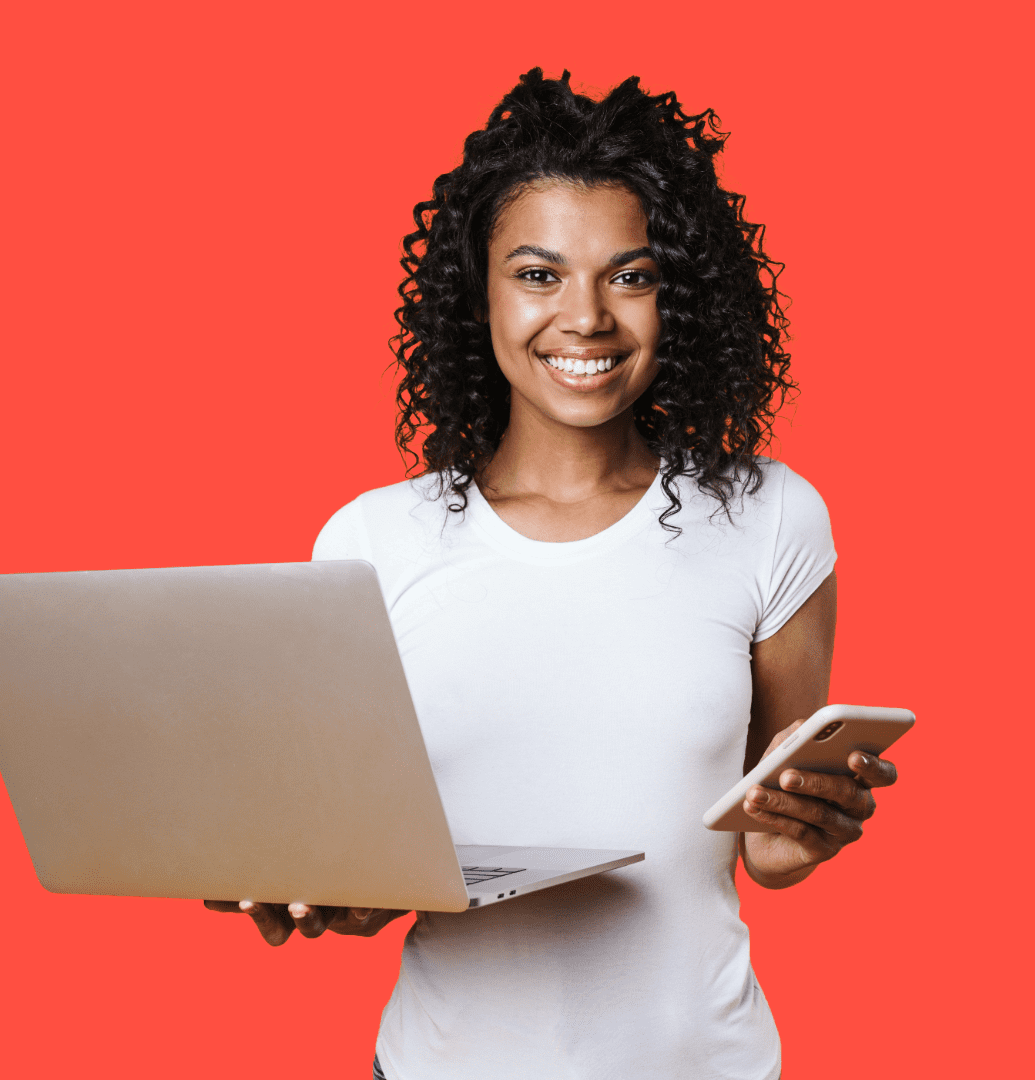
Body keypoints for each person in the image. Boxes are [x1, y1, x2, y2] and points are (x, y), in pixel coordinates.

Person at [205, 69, 901, 1079]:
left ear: (682, 295)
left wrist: (803, 834)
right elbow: (373, 876)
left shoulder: (769, 517)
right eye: (538, 275)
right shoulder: (374, 543)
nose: (587, 318)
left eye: (631, 274)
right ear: (476, 291)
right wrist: (325, 894)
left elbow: (768, 842)